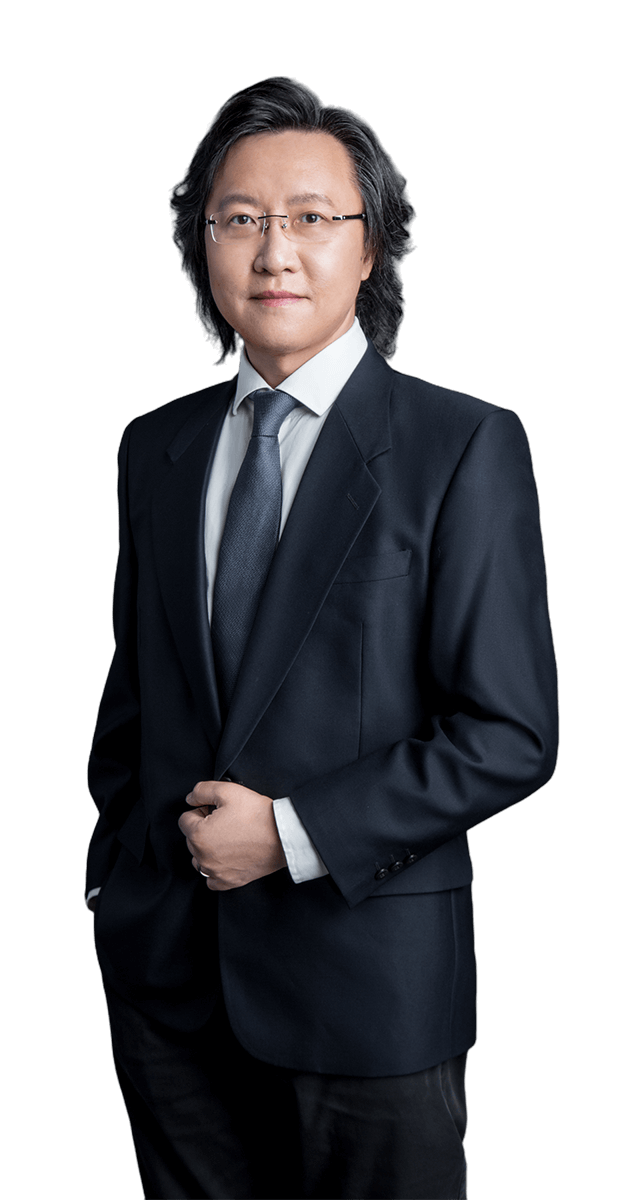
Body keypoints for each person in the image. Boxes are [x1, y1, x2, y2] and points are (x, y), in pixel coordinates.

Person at [86, 76, 558, 1200]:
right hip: (169, 987)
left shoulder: (460, 444)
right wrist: (111, 889)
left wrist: (291, 833)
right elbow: (131, 702)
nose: (274, 252)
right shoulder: (155, 447)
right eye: (240, 219)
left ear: (370, 244)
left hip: (367, 989)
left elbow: (510, 733)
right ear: (200, 243)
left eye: (310, 217)